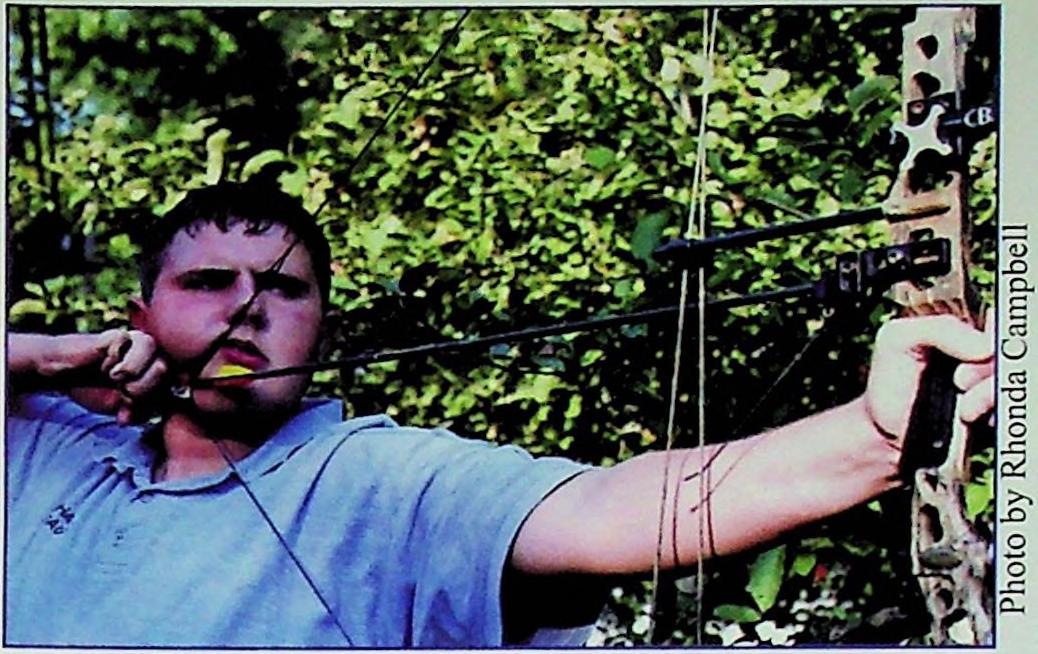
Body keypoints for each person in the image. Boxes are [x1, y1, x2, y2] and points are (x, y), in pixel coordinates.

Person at [6, 183, 995, 647]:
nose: (245, 311)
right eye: (207, 283)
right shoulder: (46, 442)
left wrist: (876, 436)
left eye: (284, 290)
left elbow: (610, 511)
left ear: (323, 328)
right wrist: (42, 356)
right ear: (139, 316)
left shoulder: (373, 480)